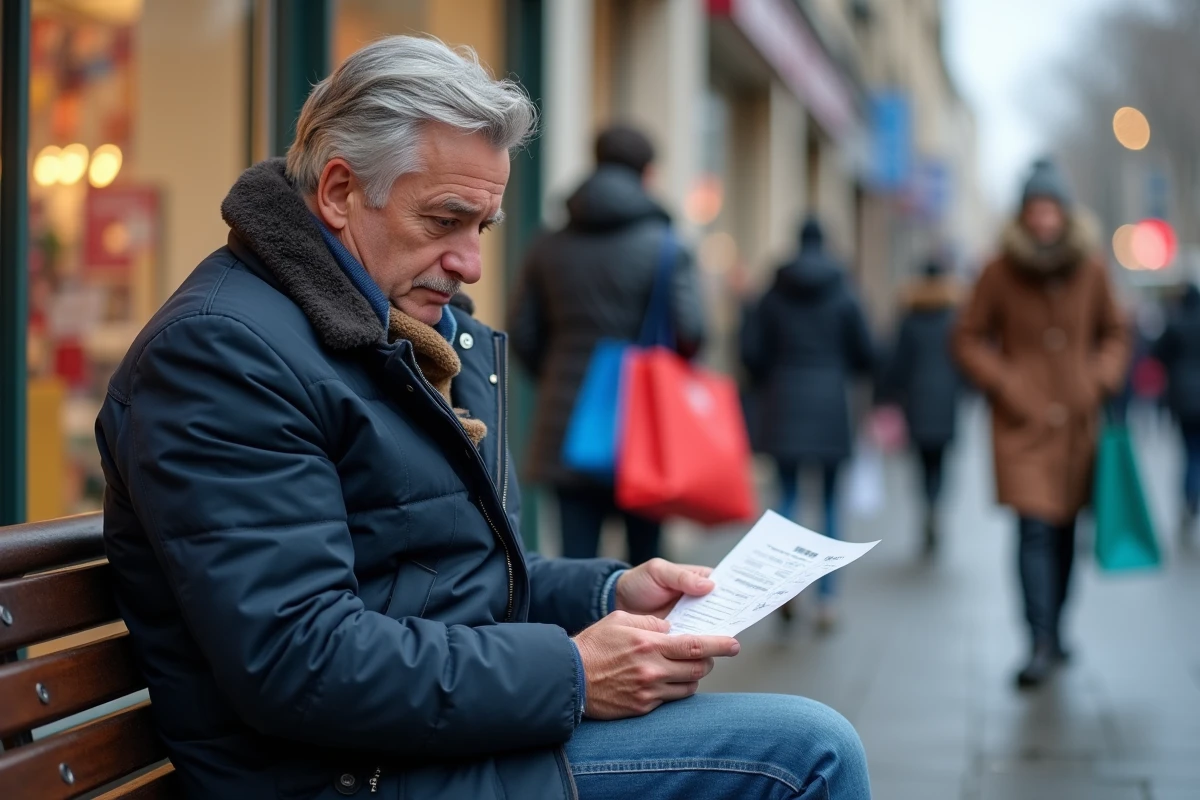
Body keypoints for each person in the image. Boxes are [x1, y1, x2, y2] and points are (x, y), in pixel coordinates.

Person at [94, 37, 868, 800]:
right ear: (337, 192)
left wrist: (609, 594)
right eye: (444, 221)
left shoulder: (392, 330)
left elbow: (443, 588)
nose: (470, 262)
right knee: (808, 753)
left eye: (483, 227)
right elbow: (298, 659)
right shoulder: (224, 353)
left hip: (419, 749)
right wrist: (573, 672)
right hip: (347, 776)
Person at [953, 158, 1129, 689]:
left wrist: (1096, 379)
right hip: (1021, 425)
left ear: (1065, 213)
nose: (1044, 219)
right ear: (1024, 213)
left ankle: (1058, 627)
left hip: (1077, 423)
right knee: (1033, 528)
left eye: (1052, 209)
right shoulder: (999, 269)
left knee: (1065, 529)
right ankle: (1038, 640)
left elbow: (1115, 333)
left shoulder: (1091, 268)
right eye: (1035, 209)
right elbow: (966, 337)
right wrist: (1006, 383)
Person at [509, 125, 706, 565]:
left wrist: (559, 373)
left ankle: (585, 638)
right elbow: (691, 331)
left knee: (577, 565)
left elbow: (520, 332)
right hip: (646, 425)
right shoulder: (666, 247)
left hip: (568, 421)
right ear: (647, 174)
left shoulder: (547, 244)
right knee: (649, 568)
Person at [740, 217, 874, 629]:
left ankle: (784, 591)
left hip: (783, 403)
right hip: (831, 405)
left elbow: (751, 350)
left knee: (788, 500)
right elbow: (867, 352)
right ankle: (827, 600)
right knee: (831, 503)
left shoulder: (773, 291)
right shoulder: (845, 291)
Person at [880, 259, 962, 556]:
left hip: (915, 402)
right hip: (945, 402)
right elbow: (964, 362)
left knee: (920, 464)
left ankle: (925, 508)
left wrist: (886, 396)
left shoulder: (909, 318)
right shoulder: (954, 318)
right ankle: (935, 505)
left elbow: (896, 362)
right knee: (940, 464)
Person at [1152, 283, 1200, 542]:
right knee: (1196, 453)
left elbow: (1157, 353)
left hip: (1184, 399)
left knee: (1191, 452)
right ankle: (1193, 495)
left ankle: (1191, 497)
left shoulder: (1176, 323)